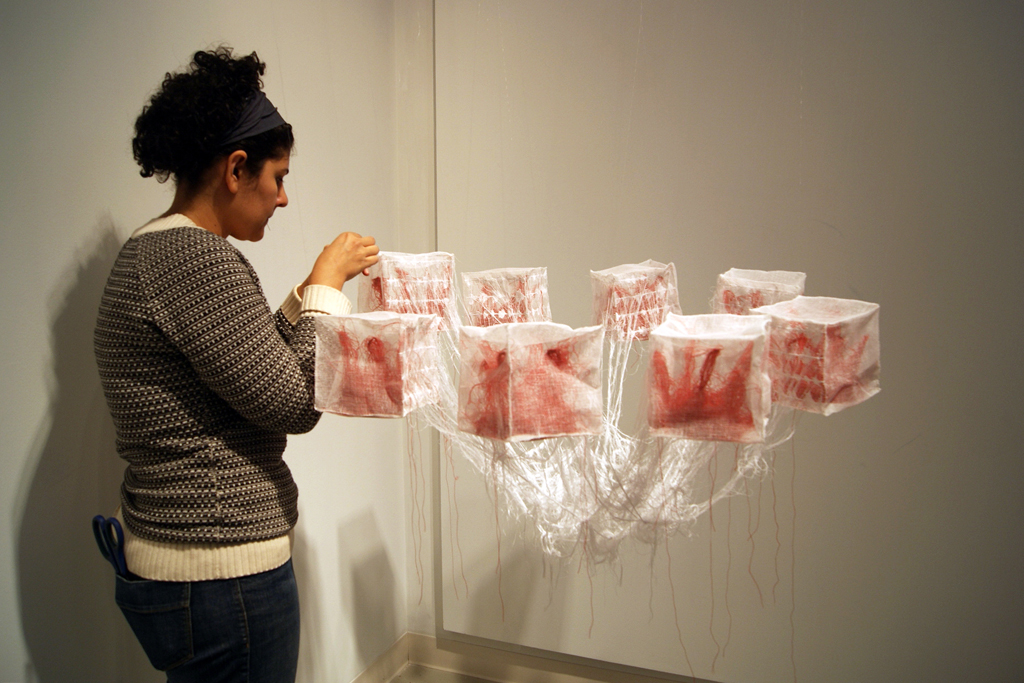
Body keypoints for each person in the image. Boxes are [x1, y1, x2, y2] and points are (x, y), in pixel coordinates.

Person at [93, 47, 378, 682]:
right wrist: (329, 287)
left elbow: (248, 364)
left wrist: (308, 289)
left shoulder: (153, 253)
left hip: (184, 567)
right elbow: (294, 402)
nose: (282, 199)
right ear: (236, 169)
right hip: (224, 571)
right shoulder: (196, 260)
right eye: (278, 178)